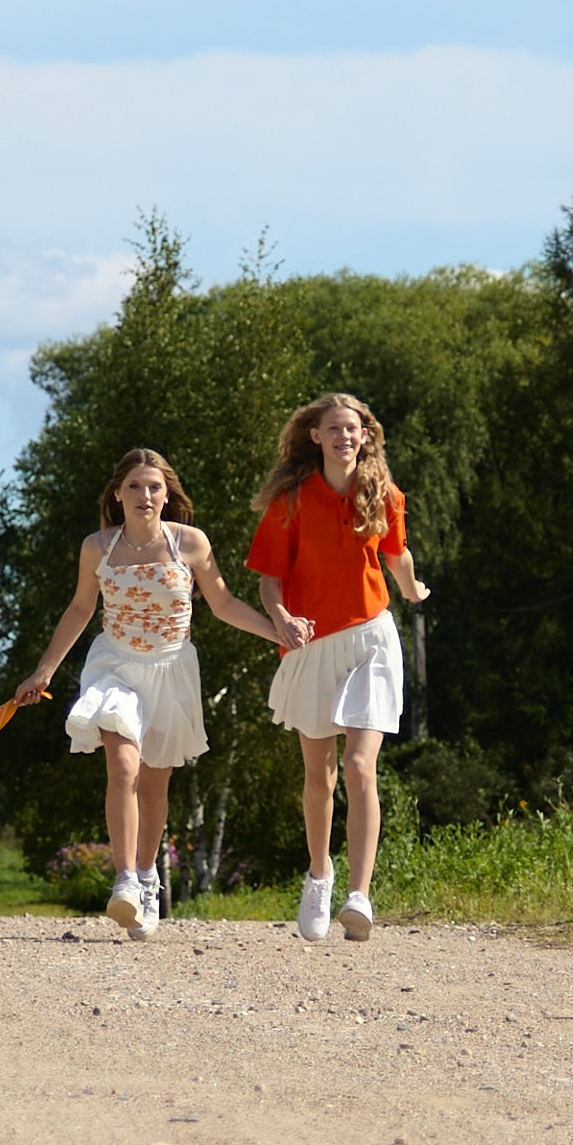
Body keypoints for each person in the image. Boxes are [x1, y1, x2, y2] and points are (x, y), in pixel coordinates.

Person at [17, 447, 297, 937]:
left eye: (154, 487)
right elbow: (81, 608)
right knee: (122, 765)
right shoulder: (97, 547)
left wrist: (279, 633)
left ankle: (147, 876)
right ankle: (124, 880)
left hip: (171, 670)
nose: (144, 495)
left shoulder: (190, 543)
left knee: (153, 786)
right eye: (134, 487)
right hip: (114, 666)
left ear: (167, 494)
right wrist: (43, 670)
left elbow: (225, 603)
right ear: (117, 494)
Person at [247, 393, 429, 945]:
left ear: (365, 436)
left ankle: (360, 895)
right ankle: (319, 877)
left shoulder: (384, 496)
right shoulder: (292, 502)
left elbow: (396, 554)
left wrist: (410, 589)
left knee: (358, 765)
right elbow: (269, 578)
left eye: (354, 429)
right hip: (311, 646)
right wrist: (279, 617)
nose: (345, 436)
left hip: (371, 639)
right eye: (334, 429)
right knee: (319, 774)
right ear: (316, 437)